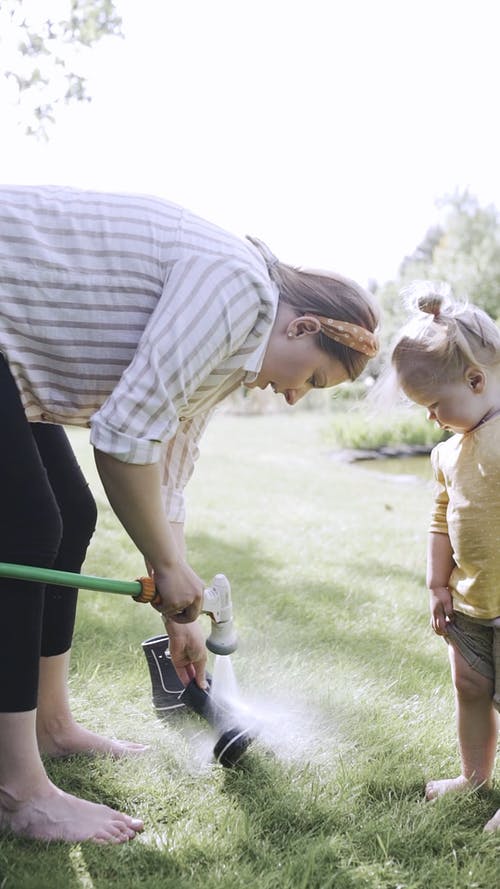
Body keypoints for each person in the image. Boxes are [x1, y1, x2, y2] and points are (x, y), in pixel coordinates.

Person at [0, 184, 379, 843]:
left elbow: (164, 470)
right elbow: (120, 439)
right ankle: (18, 790)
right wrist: (169, 569)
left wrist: (179, 604)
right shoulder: (238, 290)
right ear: (301, 326)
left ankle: (51, 727)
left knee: (69, 513)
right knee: (28, 524)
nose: (295, 396)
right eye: (312, 378)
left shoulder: (229, 347)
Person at [389, 281, 500, 833]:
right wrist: (438, 584)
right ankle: (474, 776)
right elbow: (441, 519)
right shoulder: (447, 452)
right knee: (470, 688)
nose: (432, 418)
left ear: (476, 381)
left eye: (435, 405)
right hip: (471, 603)